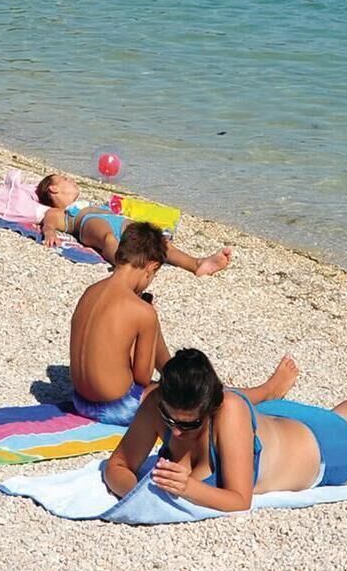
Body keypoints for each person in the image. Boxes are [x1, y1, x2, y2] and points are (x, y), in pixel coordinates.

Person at [104, 349, 347, 509]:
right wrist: (136, 492)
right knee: (338, 419)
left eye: (189, 424)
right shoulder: (156, 403)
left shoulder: (228, 411)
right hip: (278, 422)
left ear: (210, 407)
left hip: (323, 451)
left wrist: (185, 487)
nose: (175, 432)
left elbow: (239, 499)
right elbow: (117, 466)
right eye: (171, 420)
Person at [67, 224, 172, 423]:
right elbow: (142, 378)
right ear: (151, 268)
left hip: (79, 401)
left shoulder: (90, 291)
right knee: (184, 394)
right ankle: (173, 372)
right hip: (118, 407)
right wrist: (150, 317)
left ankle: (172, 369)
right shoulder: (142, 311)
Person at [37, 177, 232, 276]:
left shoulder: (89, 202)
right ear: (54, 188)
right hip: (88, 223)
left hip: (118, 220)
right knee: (108, 239)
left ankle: (196, 264)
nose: (70, 180)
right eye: (64, 180)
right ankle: (123, 265)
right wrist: (50, 232)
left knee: (154, 238)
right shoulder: (60, 212)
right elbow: (49, 223)